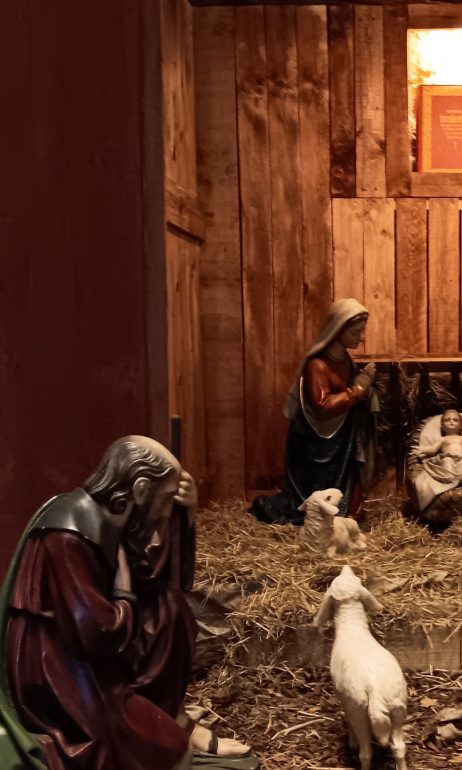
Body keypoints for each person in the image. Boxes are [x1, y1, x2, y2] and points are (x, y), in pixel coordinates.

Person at [1, 436, 254, 770]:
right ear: (139, 489)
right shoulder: (68, 536)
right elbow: (93, 634)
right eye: (165, 499)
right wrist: (123, 593)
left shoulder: (111, 520)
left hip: (96, 646)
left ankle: (167, 715)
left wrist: (186, 514)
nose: (165, 511)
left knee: (168, 605)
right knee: (164, 750)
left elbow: (163, 581)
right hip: (59, 670)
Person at [251, 298, 378, 525]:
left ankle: (347, 516)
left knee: (348, 483)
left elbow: (349, 391)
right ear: (338, 330)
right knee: (318, 492)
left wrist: (365, 390)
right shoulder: (317, 366)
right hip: (317, 443)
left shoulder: (344, 360)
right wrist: (358, 389)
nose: (361, 338)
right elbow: (322, 407)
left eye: (361, 331)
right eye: (356, 332)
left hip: (341, 439)